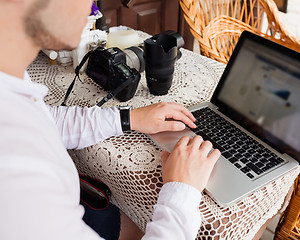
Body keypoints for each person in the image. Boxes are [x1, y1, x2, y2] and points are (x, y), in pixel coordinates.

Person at [0, 0, 221, 239]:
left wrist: (127, 119)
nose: (94, 7)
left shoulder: (10, 80)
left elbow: (47, 121)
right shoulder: (14, 173)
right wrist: (182, 190)